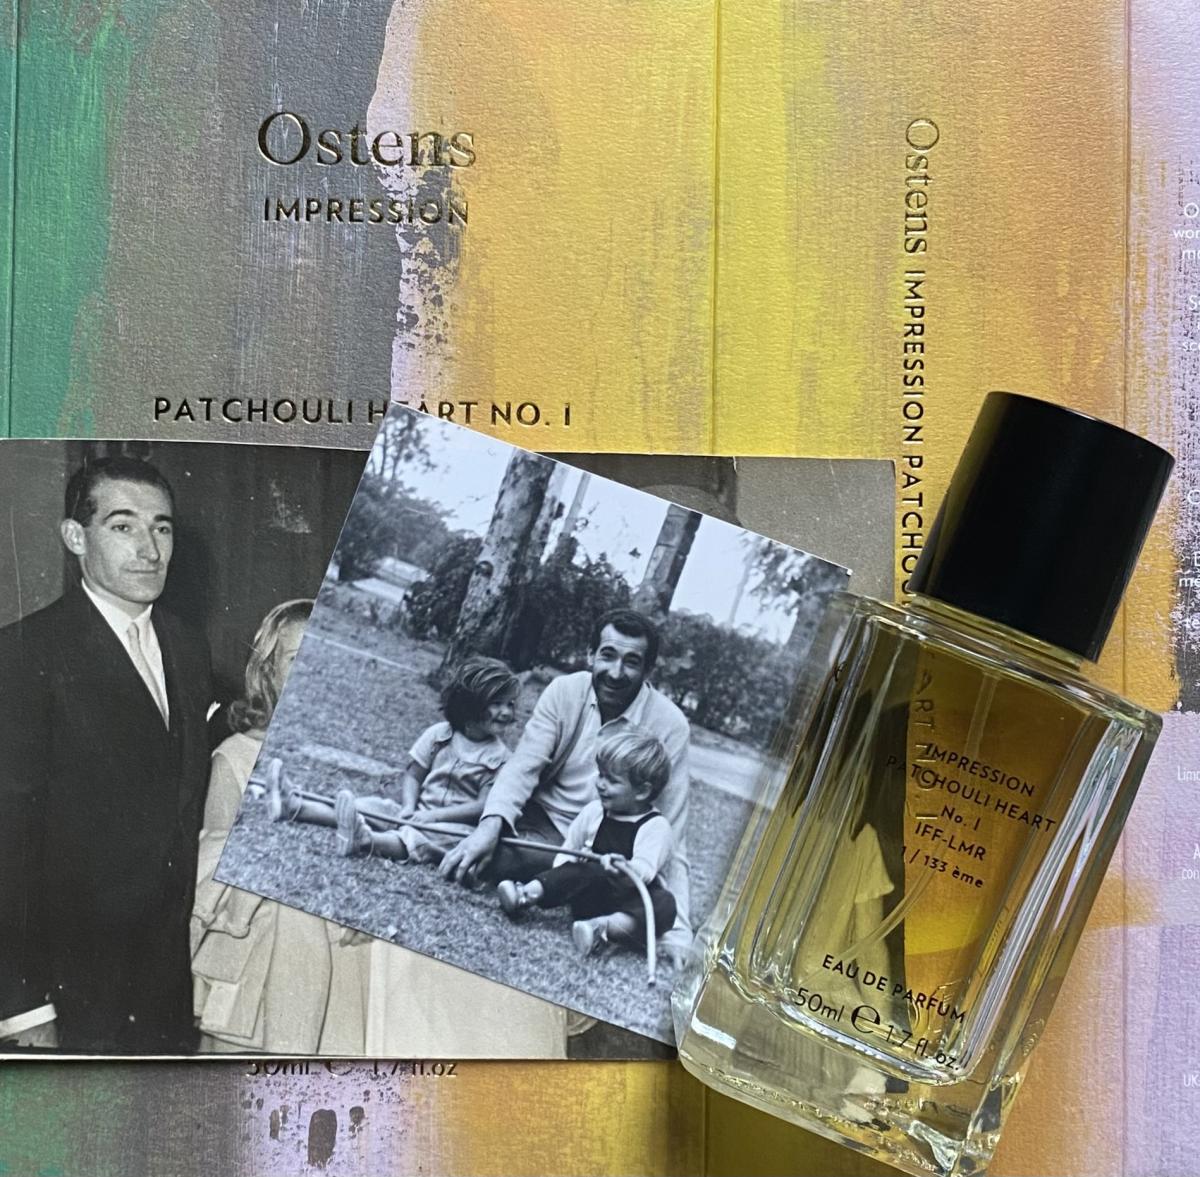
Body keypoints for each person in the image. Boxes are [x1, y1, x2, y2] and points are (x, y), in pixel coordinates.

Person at [0, 456, 213, 1052]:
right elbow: (7, 847)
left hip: (168, 992)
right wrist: (21, 1008)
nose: (150, 549)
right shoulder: (23, 655)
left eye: (162, 527)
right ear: (76, 537)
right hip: (69, 996)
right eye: (123, 526)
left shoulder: (188, 648)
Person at [439, 607, 693, 959]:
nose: (616, 672)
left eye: (632, 662)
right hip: (543, 826)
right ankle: (409, 833)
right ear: (590, 654)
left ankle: (587, 912)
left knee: (653, 901)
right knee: (488, 842)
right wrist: (489, 827)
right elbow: (522, 769)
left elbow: (672, 832)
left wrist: (678, 934)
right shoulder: (565, 691)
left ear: (648, 671)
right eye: (607, 655)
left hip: (607, 857)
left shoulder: (670, 724)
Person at [191, 599, 369, 1054]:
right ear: (268, 672)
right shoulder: (236, 756)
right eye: (297, 658)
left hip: (343, 958)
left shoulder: (354, 763)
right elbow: (211, 863)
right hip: (262, 963)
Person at [269, 656, 519, 865]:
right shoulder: (439, 735)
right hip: (417, 812)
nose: (507, 712)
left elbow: (482, 806)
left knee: (426, 839)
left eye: (510, 704)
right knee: (371, 806)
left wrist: (435, 817)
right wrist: (408, 806)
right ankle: (296, 806)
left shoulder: (502, 759)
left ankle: (366, 841)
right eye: (497, 704)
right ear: (470, 704)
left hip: (452, 826)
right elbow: (414, 775)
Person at [497, 728, 677, 958]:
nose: (600, 784)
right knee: (584, 868)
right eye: (601, 775)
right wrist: (563, 874)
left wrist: (626, 868)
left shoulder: (655, 826)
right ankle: (525, 894)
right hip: (589, 892)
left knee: (664, 904)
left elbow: (646, 869)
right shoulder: (594, 812)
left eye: (612, 780)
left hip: (627, 901)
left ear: (642, 791)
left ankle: (602, 928)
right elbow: (568, 850)